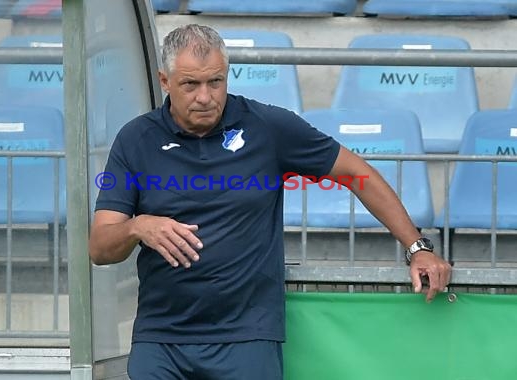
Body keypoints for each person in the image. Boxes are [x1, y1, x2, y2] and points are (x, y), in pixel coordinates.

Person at [88, 24, 452, 380]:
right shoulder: (135, 139)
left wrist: (417, 247)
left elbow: (359, 174)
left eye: (216, 82)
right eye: (190, 84)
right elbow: (100, 248)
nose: (205, 96)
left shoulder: (266, 126)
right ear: (165, 81)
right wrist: (138, 226)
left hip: (246, 336)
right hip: (161, 338)